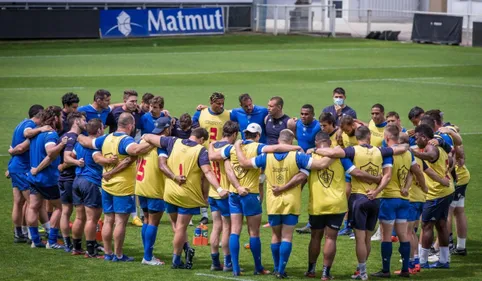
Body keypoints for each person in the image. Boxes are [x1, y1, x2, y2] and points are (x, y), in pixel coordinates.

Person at [314, 126, 409, 280]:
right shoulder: (381, 151)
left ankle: (363, 273)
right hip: (375, 199)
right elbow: (401, 149)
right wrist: (377, 191)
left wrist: (315, 149)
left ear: (356, 137)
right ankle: (360, 269)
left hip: (359, 199)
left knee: (360, 238)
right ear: (369, 137)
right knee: (367, 238)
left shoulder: (352, 151)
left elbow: (331, 153)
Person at [234, 129, 317, 279]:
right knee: (287, 237)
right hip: (291, 201)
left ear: (279, 140)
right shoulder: (299, 156)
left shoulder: (266, 156)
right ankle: (281, 269)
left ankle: (275, 267)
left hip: (273, 201)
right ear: (292, 141)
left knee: (275, 236)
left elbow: (245, 163)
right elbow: (314, 167)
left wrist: (238, 146)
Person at [142, 127, 228, 270]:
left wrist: (144, 134)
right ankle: (176, 260)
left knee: (176, 226)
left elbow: (150, 137)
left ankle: (185, 249)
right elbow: (207, 171)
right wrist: (219, 189)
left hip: (169, 193)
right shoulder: (201, 150)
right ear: (201, 139)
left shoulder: (173, 141)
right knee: (181, 227)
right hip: (187, 195)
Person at [224, 123, 301, 276]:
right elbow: (277, 148)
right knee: (254, 233)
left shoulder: (231, 148)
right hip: (250, 194)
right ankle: (258, 267)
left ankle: (235, 268)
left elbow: (214, 155)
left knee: (234, 230)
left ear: (245, 134)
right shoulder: (259, 147)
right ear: (258, 135)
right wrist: (296, 148)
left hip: (234, 193)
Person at [303, 132, 381, 280]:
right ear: (329, 143)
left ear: (316, 142)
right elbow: (356, 172)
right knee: (330, 238)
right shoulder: (341, 158)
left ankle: (311, 270)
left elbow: (301, 177)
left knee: (315, 237)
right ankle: (326, 273)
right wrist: (376, 179)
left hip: (317, 204)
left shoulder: (310, 157)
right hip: (337, 204)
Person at [78, 112, 153, 261]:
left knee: (108, 220)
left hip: (106, 185)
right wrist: (155, 141)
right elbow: (136, 150)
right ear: (130, 126)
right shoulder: (126, 140)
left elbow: (86, 142)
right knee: (120, 222)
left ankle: (108, 253)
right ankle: (118, 255)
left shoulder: (106, 137)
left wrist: (78, 135)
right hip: (122, 187)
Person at [371, 125, 427, 278]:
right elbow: (415, 172)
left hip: (389, 198)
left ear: (387, 138)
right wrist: (423, 187)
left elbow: (386, 176)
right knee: (404, 235)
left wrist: (376, 191)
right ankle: (404, 269)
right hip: (404, 199)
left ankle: (385, 270)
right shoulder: (409, 154)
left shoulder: (388, 154)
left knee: (386, 236)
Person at [411, 124, 455, 269]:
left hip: (436, 193)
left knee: (426, 225)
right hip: (446, 190)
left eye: (417, 138)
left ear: (424, 137)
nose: (415, 141)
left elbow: (430, 156)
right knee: (441, 224)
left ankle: (423, 261)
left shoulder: (431, 148)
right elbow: (451, 156)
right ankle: (444, 260)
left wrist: (414, 153)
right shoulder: (439, 144)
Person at [26, 106, 68, 249]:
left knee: (33, 207)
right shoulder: (51, 134)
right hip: (47, 178)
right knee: (59, 207)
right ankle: (52, 241)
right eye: (61, 117)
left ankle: (35, 240)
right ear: (55, 118)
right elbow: (50, 153)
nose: (62, 119)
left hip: (33, 178)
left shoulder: (35, 133)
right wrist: (62, 144)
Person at [71, 118, 113, 258]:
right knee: (91, 219)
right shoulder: (95, 146)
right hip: (90, 182)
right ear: (100, 130)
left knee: (79, 217)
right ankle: (91, 251)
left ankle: (76, 247)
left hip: (77, 181)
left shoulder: (79, 144)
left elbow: (72, 156)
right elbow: (98, 159)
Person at [8, 105, 48, 243]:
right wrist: (41, 129)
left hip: (15, 167)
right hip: (22, 168)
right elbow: (27, 134)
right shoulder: (29, 125)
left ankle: (19, 233)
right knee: (33, 204)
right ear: (39, 115)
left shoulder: (21, 123)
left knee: (18, 202)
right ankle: (33, 237)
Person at [136, 117, 172, 266]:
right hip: (154, 187)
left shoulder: (142, 141)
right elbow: (163, 165)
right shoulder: (162, 145)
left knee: (146, 219)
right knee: (153, 222)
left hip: (140, 185)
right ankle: (148, 257)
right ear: (167, 128)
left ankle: (147, 253)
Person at [193, 92, 231, 224]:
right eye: (218, 103)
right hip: (203, 152)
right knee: (199, 181)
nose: (221, 106)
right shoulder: (200, 113)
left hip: (219, 154)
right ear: (211, 102)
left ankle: (215, 211)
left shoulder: (228, 114)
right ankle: (201, 212)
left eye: (222, 103)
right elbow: (194, 132)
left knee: (217, 180)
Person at [207, 121, 239, 271]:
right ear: (234, 134)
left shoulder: (212, 145)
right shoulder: (230, 148)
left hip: (213, 192)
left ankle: (214, 262)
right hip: (225, 193)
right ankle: (227, 263)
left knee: (216, 226)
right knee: (227, 227)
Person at [56, 112, 86, 252]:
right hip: (70, 178)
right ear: (77, 121)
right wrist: (77, 162)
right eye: (84, 120)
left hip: (63, 178)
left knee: (65, 211)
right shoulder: (73, 137)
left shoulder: (63, 136)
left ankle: (67, 242)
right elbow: (67, 159)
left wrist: (61, 166)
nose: (85, 123)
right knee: (78, 213)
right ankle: (73, 244)